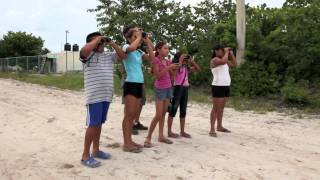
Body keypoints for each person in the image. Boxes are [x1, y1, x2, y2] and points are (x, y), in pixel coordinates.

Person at [79, 32, 126, 168]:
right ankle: (85, 155)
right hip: (94, 97)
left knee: (99, 124)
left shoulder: (108, 56)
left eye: (101, 41)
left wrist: (111, 43)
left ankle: (96, 150)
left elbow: (123, 56)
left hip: (106, 96)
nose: (101, 44)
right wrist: (98, 39)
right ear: (91, 43)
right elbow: (85, 50)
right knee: (93, 125)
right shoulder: (88, 56)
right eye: (98, 42)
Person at [122, 25, 155, 153]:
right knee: (128, 115)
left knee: (133, 115)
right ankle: (126, 143)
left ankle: (130, 140)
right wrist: (139, 37)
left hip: (139, 84)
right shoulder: (126, 47)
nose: (138, 38)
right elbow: (131, 47)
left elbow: (153, 58)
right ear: (129, 38)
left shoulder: (139, 52)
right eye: (135, 36)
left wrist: (147, 42)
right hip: (130, 83)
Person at [144, 42, 179, 148]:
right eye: (165, 48)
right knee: (158, 115)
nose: (167, 50)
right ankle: (148, 138)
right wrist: (169, 68)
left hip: (168, 88)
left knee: (163, 114)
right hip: (160, 89)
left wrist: (175, 68)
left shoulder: (167, 61)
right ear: (158, 50)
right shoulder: (156, 60)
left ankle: (161, 136)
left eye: (168, 48)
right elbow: (158, 76)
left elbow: (172, 75)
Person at [167, 52, 201, 139]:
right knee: (173, 109)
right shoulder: (174, 66)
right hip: (177, 88)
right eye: (184, 58)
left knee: (183, 110)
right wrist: (180, 61)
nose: (185, 60)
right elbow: (173, 74)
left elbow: (198, 69)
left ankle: (182, 131)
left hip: (185, 88)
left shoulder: (186, 67)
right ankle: (169, 132)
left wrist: (191, 60)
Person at [209, 45, 237, 137]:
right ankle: (212, 129)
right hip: (217, 86)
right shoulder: (214, 60)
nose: (223, 52)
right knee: (216, 108)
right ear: (216, 51)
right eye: (221, 51)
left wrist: (231, 53)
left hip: (226, 86)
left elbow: (235, 64)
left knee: (221, 109)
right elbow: (223, 61)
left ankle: (219, 126)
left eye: (223, 51)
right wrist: (226, 52)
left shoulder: (225, 60)